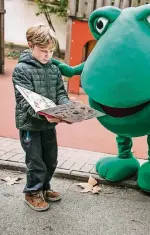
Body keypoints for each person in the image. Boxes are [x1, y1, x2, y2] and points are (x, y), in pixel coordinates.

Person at [12, 24, 70, 211]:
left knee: (51, 159)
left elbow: (60, 91)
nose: (48, 55)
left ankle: (44, 187)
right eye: (43, 51)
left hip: (48, 124)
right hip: (30, 125)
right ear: (30, 45)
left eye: (51, 51)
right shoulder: (21, 69)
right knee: (36, 161)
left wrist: (66, 106)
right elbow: (25, 101)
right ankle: (31, 193)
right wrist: (46, 115)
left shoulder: (53, 68)